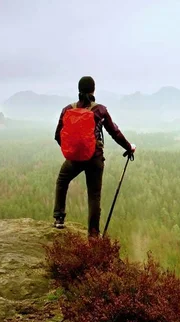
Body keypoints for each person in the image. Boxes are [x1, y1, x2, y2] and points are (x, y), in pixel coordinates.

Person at [53, 76, 135, 236]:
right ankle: (93, 235)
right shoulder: (100, 110)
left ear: (78, 90)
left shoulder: (67, 110)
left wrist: (72, 150)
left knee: (62, 180)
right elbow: (114, 132)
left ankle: (59, 219)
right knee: (94, 195)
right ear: (93, 90)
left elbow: (58, 135)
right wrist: (129, 147)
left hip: (74, 158)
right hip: (94, 158)